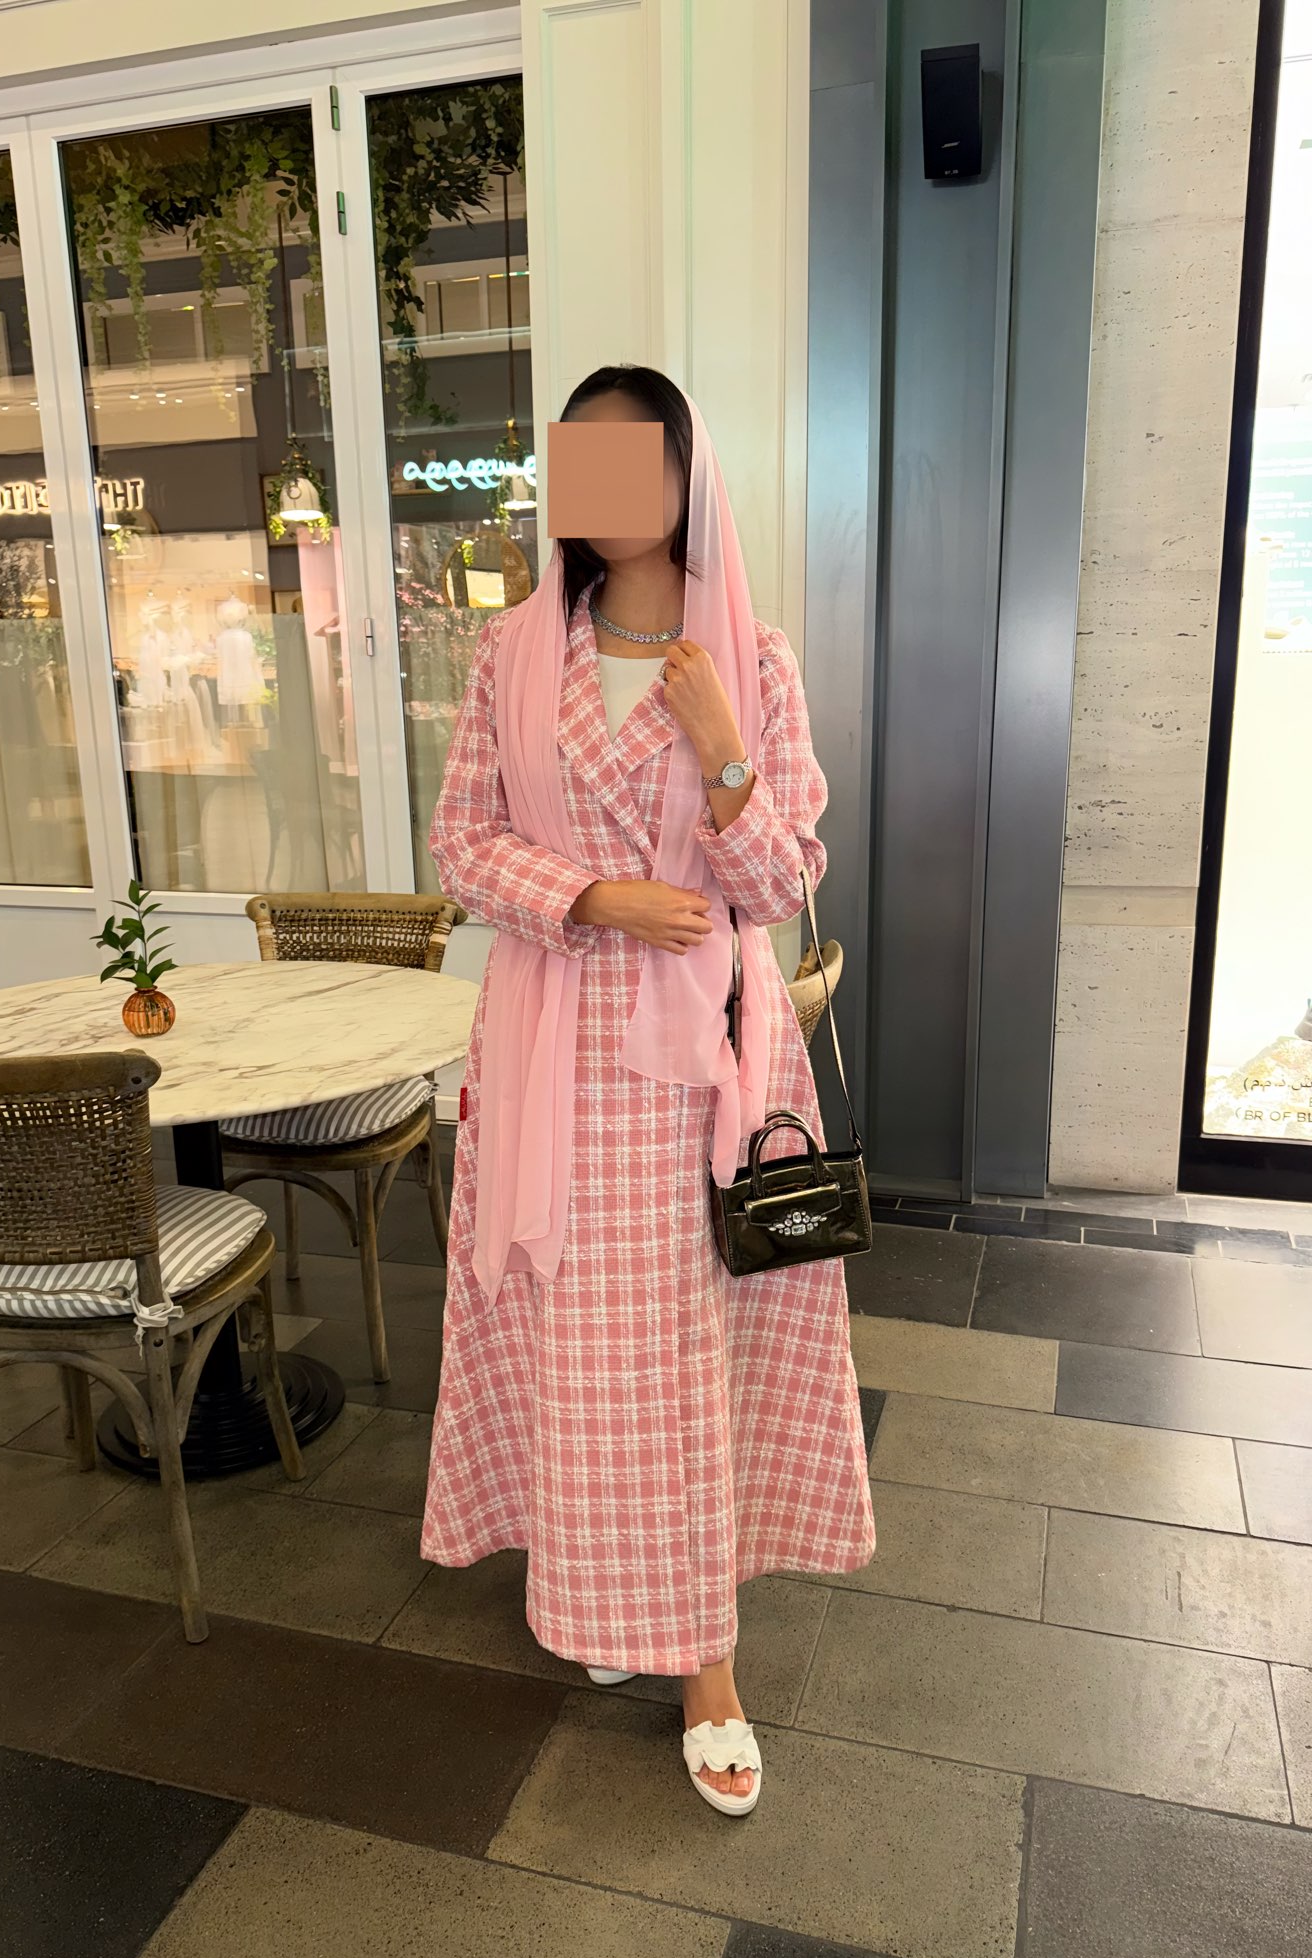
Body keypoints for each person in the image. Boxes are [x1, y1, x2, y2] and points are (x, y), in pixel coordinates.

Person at [421, 364, 875, 1816]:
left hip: (703, 1069)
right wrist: (595, 896)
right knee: (577, 1341)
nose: (610, 489)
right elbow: (461, 842)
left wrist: (723, 750)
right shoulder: (512, 651)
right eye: (586, 459)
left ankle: (709, 1664)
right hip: (552, 1047)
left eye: (638, 459)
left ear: (688, 474)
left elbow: (783, 880)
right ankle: (609, 1590)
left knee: (688, 1346)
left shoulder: (750, 655)